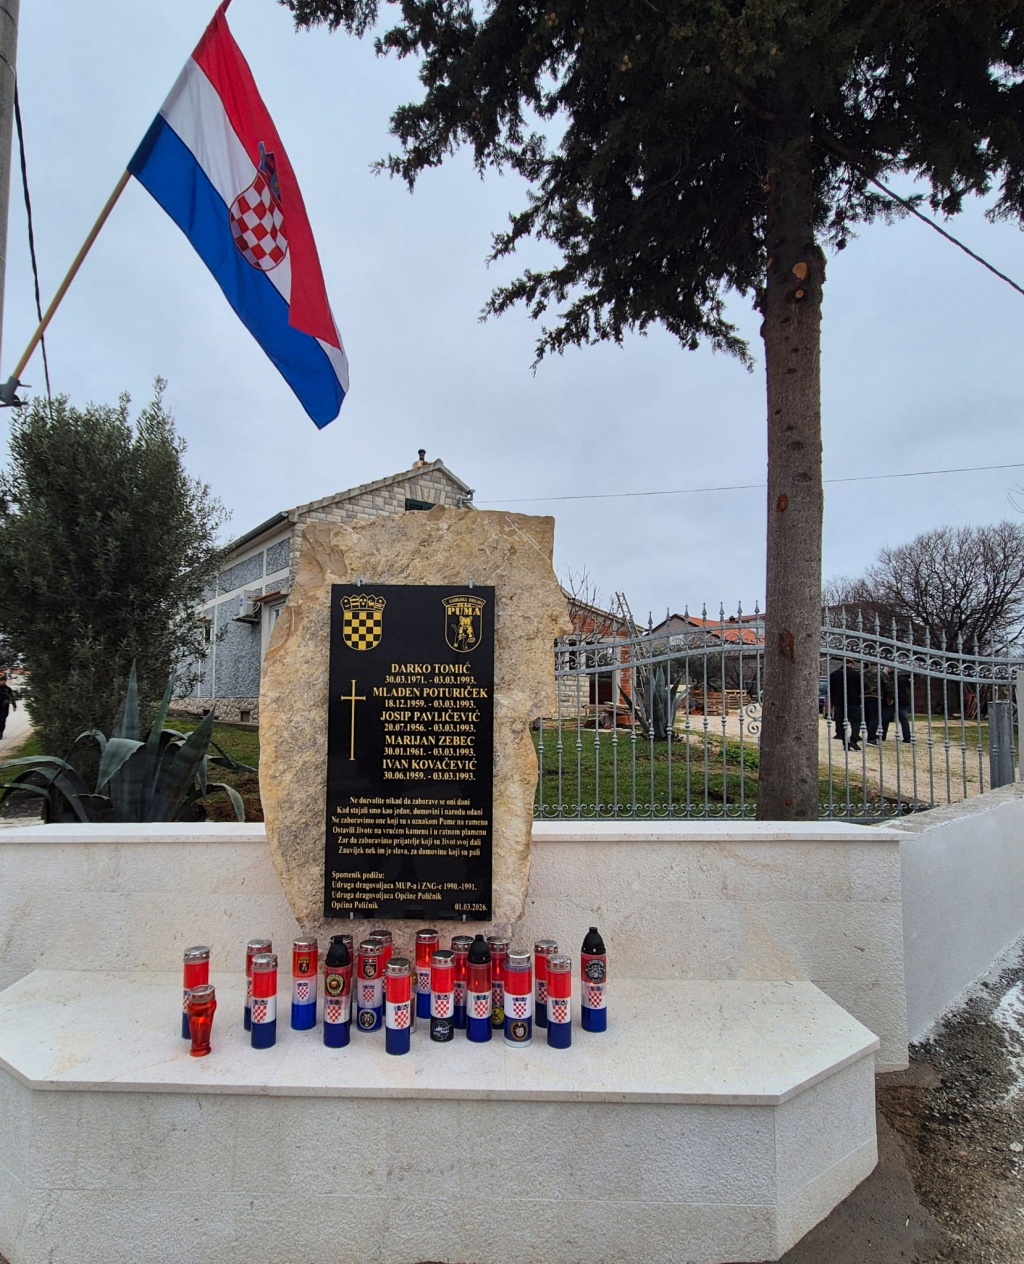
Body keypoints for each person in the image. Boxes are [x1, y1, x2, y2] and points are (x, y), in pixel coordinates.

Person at [828, 660, 862, 751]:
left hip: (839, 702)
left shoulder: (834, 674)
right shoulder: (855, 674)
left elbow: (830, 689)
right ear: (851, 664)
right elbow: (861, 687)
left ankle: (845, 742)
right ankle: (854, 739)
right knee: (856, 721)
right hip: (853, 701)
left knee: (841, 722)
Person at [882, 668, 913, 743]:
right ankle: (907, 737)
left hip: (889, 701)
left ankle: (882, 736)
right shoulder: (903, 679)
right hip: (902, 701)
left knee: (885, 720)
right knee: (904, 720)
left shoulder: (886, 679)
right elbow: (909, 686)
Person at [0, 671, 17, 740]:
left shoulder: (8, 689)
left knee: (2, 720)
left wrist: (14, 705)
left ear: (5, 681)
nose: (1, 682)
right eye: (0, 681)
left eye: (3, 680)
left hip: (4, 707)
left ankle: (1, 731)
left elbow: (12, 697)